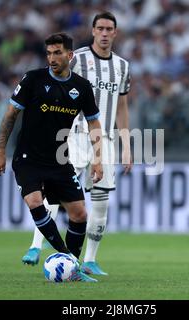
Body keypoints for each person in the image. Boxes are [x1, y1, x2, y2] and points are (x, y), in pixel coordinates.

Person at [22, 12, 132, 276]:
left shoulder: (123, 67)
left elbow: (122, 107)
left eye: (109, 29)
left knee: (101, 200)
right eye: (100, 28)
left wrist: (126, 145)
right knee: (56, 192)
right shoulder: (78, 58)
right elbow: (52, 83)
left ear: (115, 33)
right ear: (93, 31)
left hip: (103, 139)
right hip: (72, 135)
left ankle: (90, 260)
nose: (105, 33)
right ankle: (36, 246)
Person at [0, 33, 104, 282]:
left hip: (58, 159)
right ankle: (69, 260)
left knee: (79, 215)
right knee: (34, 202)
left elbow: (94, 123)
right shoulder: (33, 79)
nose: (52, 58)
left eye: (57, 53)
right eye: (49, 53)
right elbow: (10, 115)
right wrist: (0, 151)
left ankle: (72, 269)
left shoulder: (82, 88)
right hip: (27, 157)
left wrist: (98, 158)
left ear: (70, 55)